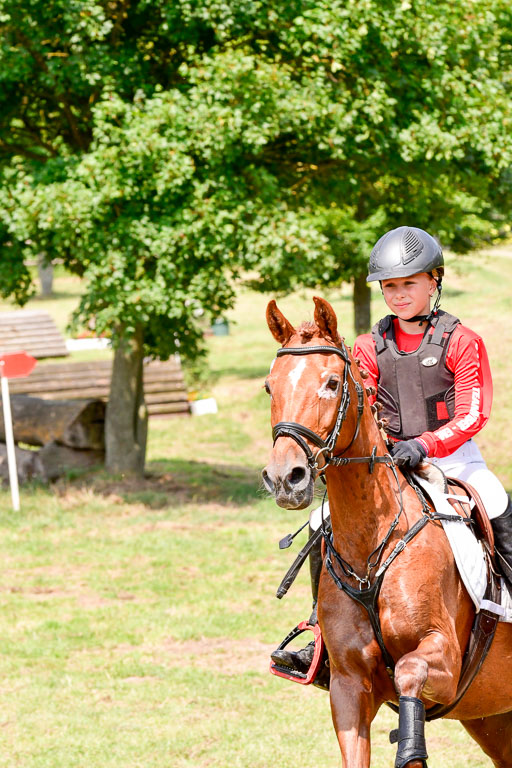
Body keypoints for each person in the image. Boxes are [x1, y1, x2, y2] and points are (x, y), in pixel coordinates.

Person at [271, 225, 512, 677]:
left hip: (454, 459)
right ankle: (321, 636)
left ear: (433, 282)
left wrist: (424, 445)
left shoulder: (462, 341)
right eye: (390, 286)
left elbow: (473, 414)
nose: (399, 295)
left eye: (409, 284)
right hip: (389, 463)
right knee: (321, 520)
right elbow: (359, 409)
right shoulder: (368, 346)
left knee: (496, 502)